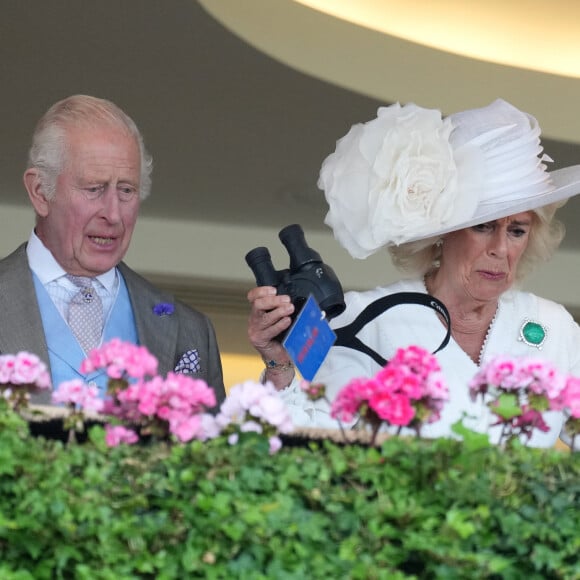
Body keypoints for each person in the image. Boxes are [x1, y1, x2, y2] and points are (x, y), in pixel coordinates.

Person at [247, 99, 580, 447]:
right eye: (483, 226)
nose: (500, 248)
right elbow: (307, 442)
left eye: (517, 230)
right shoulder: (366, 318)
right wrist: (278, 363)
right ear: (442, 233)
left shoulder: (554, 327)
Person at [0, 94, 225, 406]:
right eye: (94, 189)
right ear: (40, 192)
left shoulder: (190, 331)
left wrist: (276, 369)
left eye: (126, 191)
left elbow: (217, 452)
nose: (114, 214)